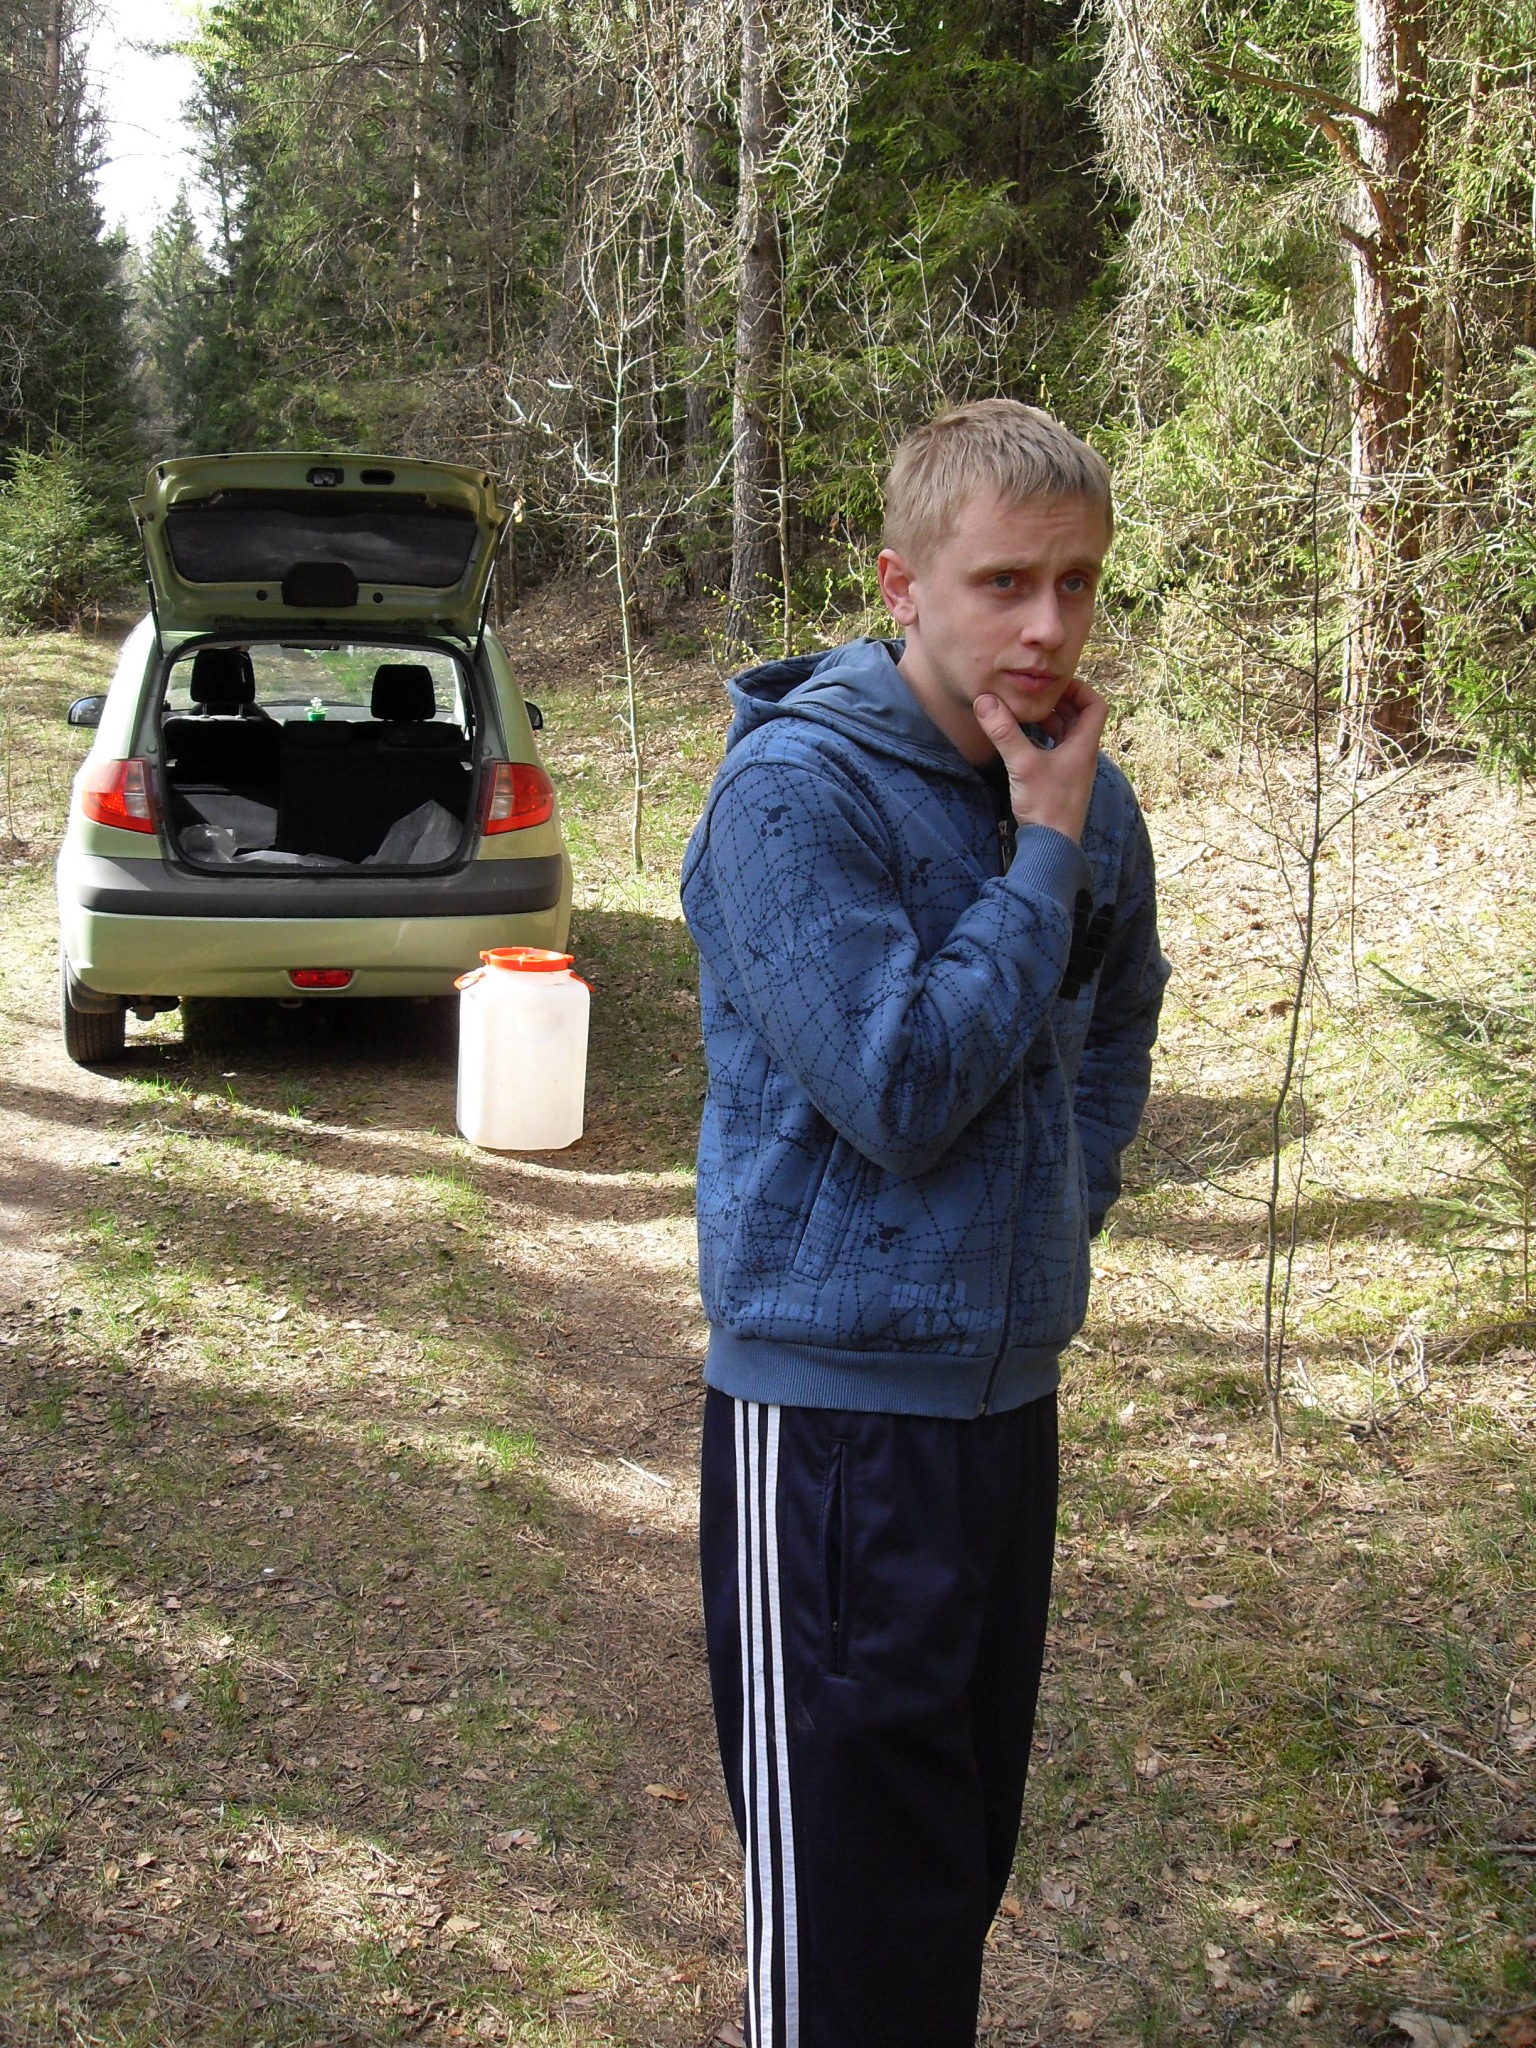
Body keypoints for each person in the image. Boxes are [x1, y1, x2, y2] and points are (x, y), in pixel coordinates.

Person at [681, 398, 1169, 2048]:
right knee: (848, 1927)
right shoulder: (791, 798)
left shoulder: (1087, 797)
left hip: (1005, 1408)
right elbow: (895, 1087)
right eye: (1004, 582)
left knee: (947, 1878)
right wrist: (1040, 855)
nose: (1049, 627)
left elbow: (1116, 1020)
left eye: (1078, 583)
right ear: (904, 584)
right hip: (830, 1431)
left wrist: (1065, 1209)